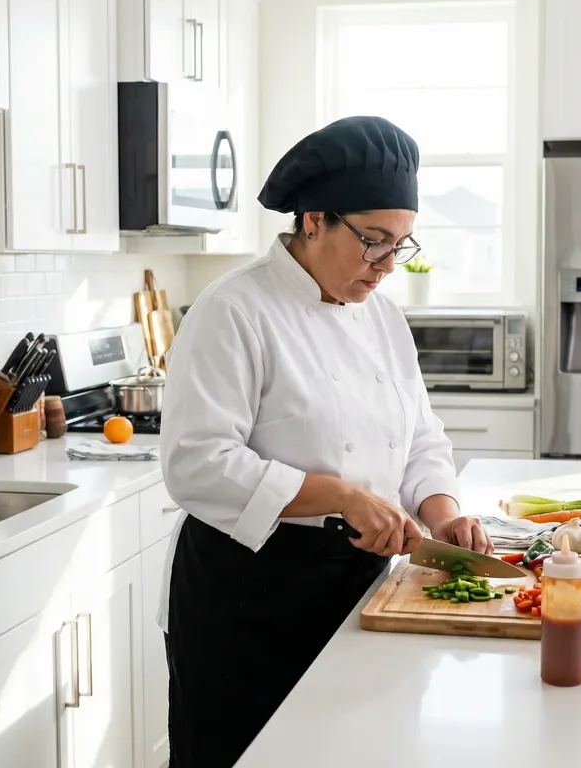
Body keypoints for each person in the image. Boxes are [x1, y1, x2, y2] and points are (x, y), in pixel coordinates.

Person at [158, 115, 494, 768]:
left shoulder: (384, 317)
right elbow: (197, 464)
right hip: (248, 599)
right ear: (313, 220)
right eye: (373, 242)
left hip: (358, 584)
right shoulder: (233, 311)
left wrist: (443, 515)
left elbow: (420, 436)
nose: (387, 266)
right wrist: (339, 495)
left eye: (401, 245)